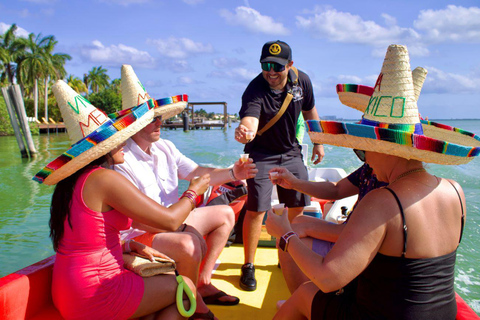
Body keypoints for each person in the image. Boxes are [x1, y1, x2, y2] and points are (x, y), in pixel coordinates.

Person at [266, 44, 480, 319]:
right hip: (441, 313)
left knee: (304, 295)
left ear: (382, 147)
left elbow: (327, 279)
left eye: (362, 149)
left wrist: (285, 234)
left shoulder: (383, 200)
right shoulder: (455, 190)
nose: (364, 159)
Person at [33, 80, 205, 320]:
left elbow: (86, 239)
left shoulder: (73, 181)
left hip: (67, 290)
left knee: (159, 300)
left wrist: (128, 246)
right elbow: (170, 221)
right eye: (117, 139)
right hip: (97, 292)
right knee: (185, 287)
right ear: (103, 147)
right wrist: (193, 191)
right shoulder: (105, 179)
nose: (124, 142)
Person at [114, 66, 258, 317]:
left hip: (174, 219)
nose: (159, 122)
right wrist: (184, 214)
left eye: (159, 117)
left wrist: (234, 173)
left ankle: (201, 283)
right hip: (141, 233)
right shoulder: (122, 162)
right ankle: (195, 306)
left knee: (225, 213)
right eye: (151, 119)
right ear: (133, 126)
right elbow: (137, 220)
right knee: (189, 244)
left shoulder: (165, 147)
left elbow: (199, 173)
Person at [234, 40, 324, 291]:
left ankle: (286, 254)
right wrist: (245, 133)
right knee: (257, 209)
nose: (271, 72)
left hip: (291, 152)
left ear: (290, 65)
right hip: (261, 154)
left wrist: (318, 143)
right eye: (266, 66)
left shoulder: (301, 80)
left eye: (277, 66)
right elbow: (250, 120)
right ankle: (248, 265)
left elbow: (310, 112)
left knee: (297, 206)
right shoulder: (255, 89)